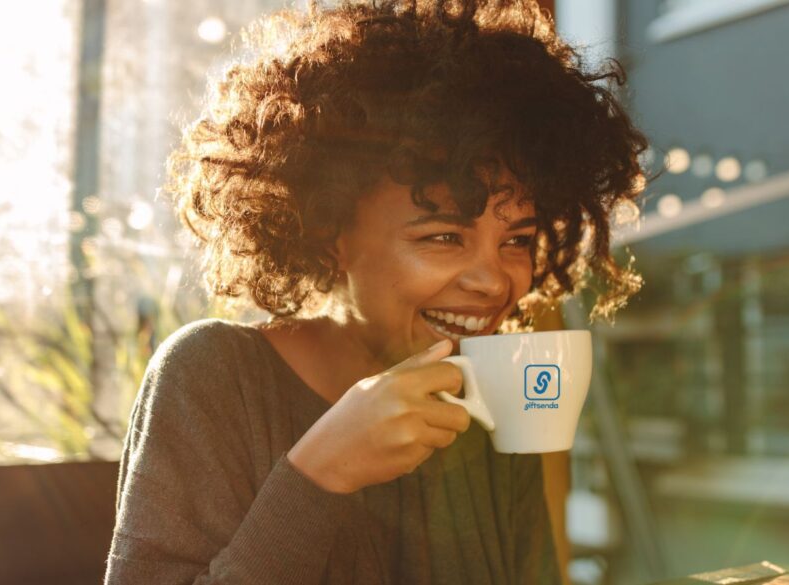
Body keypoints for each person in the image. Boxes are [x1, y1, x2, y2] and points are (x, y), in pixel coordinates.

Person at [105, 0, 648, 583]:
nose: (495, 281)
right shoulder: (212, 374)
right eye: (444, 236)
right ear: (327, 228)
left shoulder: (489, 401)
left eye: (518, 240)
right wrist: (319, 474)